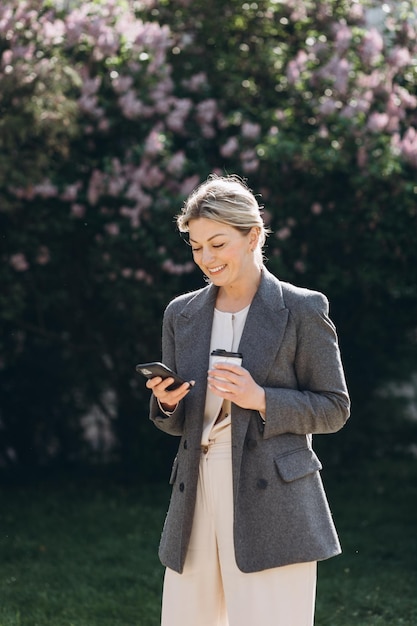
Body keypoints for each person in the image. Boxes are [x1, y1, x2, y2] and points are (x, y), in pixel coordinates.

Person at [147, 174, 350, 626]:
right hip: (195, 491)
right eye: (197, 247)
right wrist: (167, 403)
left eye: (217, 244)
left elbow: (334, 407)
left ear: (253, 235)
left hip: (275, 497)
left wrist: (261, 398)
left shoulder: (302, 308)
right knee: (187, 619)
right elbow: (178, 422)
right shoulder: (181, 313)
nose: (206, 259)